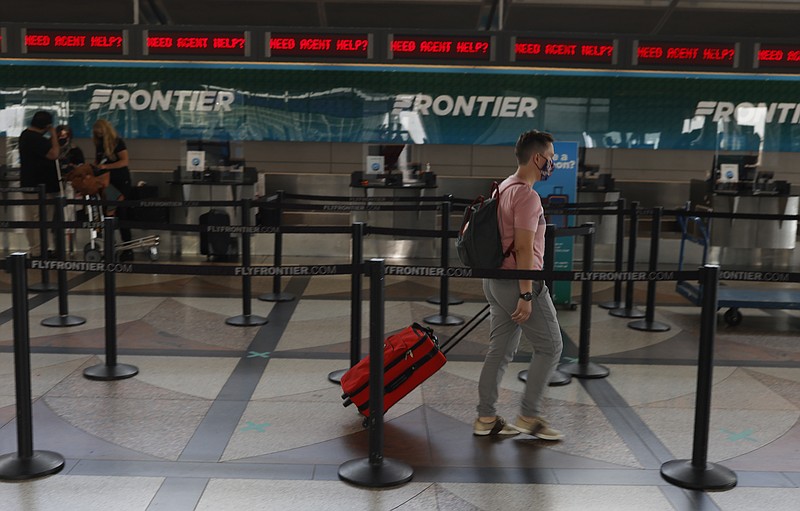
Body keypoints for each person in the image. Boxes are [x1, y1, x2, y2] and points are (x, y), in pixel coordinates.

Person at [473, 129, 564, 440]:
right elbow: (524, 247)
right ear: (537, 158)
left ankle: (486, 418)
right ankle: (528, 415)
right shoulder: (526, 195)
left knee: (499, 351)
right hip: (518, 282)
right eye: (550, 158)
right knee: (551, 347)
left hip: (495, 280)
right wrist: (527, 293)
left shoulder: (504, 187)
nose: (552, 163)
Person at [19, 110, 60, 257]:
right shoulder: (36, 139)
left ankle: (35, 249)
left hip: (28, 184)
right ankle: (40, 251)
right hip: (41, 186)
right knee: (41, 219)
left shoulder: (24, 135)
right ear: (47, 125)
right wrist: (53, 134)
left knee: (31, 219)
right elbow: (54, 154)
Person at [92, 119, 133, 257]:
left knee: (122, 213)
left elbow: (125, 161)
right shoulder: (99, 145)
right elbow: (97, 162)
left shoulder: (117, 142)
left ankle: (128, 247)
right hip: (107, 183)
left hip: (121, 181)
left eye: (100, 134)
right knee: (108, 214)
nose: (99, 136)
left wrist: (106, 166)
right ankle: (110, 245)